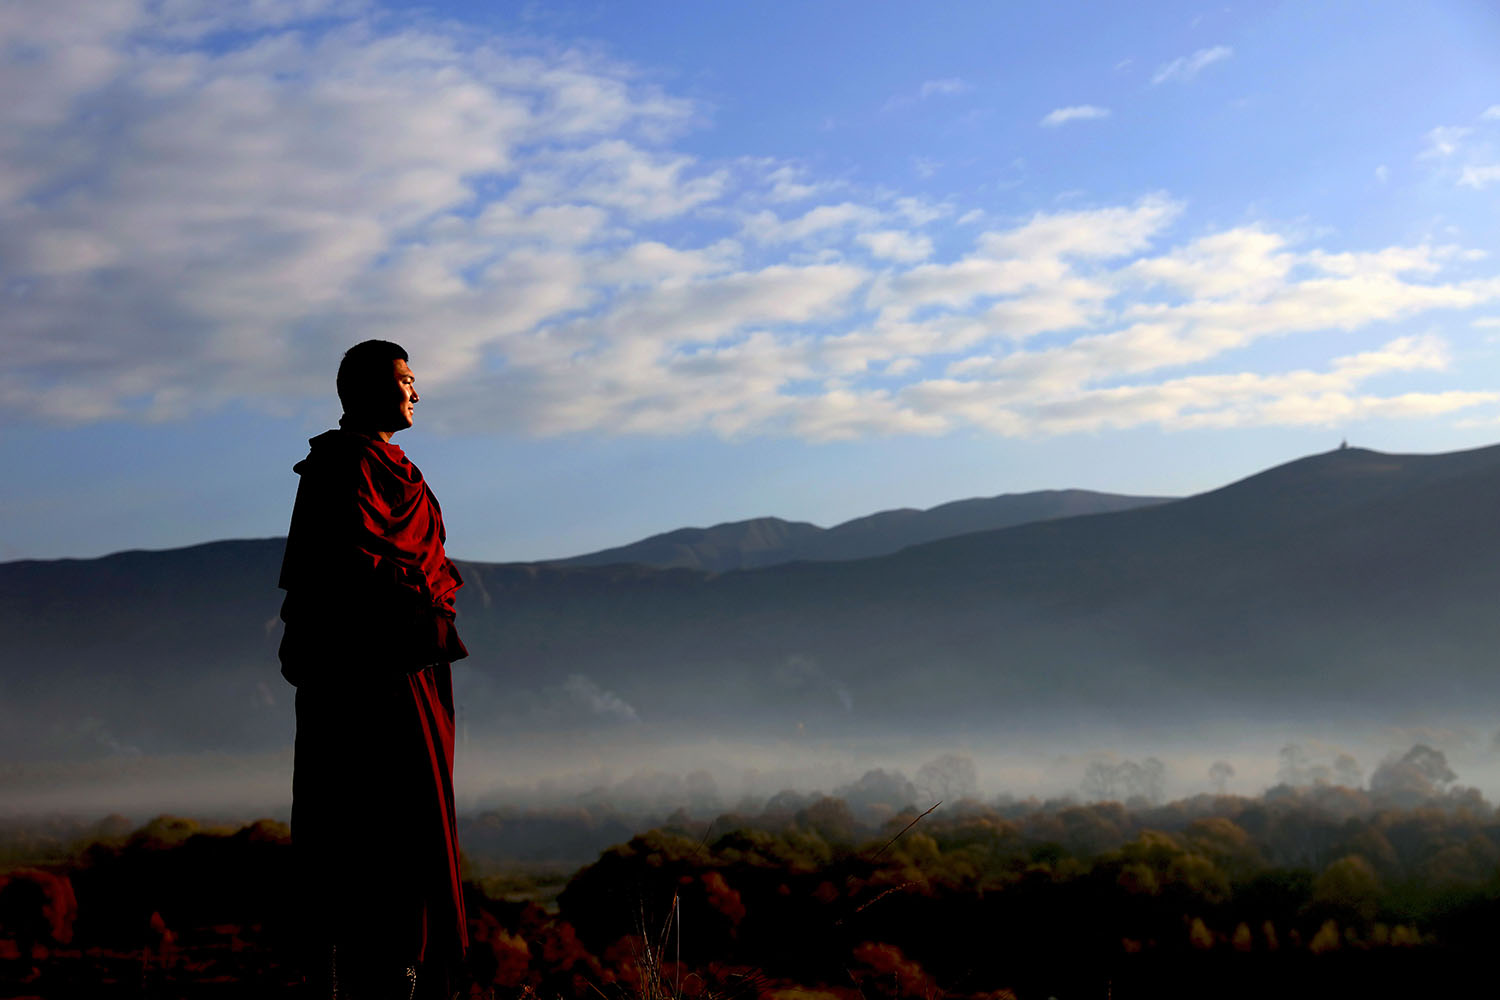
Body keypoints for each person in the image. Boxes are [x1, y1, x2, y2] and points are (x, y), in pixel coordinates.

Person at [277, 340, 469, 998]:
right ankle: (378, 970)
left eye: (414, 381)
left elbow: (425, 563)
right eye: (404, 380)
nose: (415, 392)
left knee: (418, 821)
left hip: (415, 668)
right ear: (363, 391)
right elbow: (343, 570)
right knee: (373, 822)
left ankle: (418, 968)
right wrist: (410, 596)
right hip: (362, 679)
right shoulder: (340, 466)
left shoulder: (404, 472)